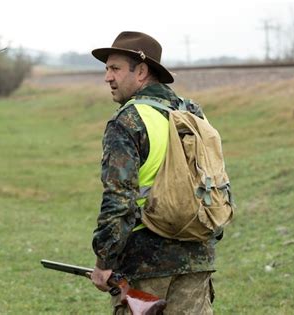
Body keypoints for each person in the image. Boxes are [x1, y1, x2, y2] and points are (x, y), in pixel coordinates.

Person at [89, 31, 217, 314]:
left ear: (142, 71)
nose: (107, 77)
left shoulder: (128, 120)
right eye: (107, 69)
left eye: (115, 68)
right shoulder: (193, 112)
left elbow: (119, 200)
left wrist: (104, 261)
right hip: (198, 254)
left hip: (145, 264)